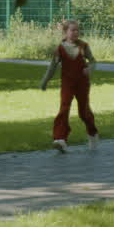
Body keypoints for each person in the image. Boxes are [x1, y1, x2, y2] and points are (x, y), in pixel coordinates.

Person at [39, 19, 100, 152]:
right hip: (67, 83)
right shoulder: (60, 48)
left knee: (83, 112)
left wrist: (89, 69)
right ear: (65, 32)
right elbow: (52, 67)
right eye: (72, 30)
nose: (75, 32)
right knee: (64, 108)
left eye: (77, 30)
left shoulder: (83, 45)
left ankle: (93, 133)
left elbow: (93, 61)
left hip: (82, 83)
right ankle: (60, 139)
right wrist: (45, 81)